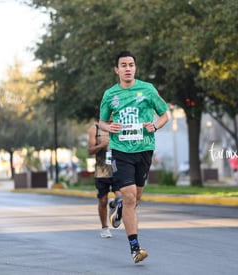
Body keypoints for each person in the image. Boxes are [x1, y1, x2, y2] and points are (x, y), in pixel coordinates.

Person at [99, 51, 169, 263]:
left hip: (144, 149)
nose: (127, 68)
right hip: (121, 151)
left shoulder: (148, 89)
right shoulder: (110, 95)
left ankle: (119, 209)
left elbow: (165, 114)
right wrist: (109, 126)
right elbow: (101, 122)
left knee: (135, 198)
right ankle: (135, 248)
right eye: (123, 65)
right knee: (129, 196)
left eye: (131, 64)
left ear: (135, 68)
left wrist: (154, 126)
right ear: (116, 69)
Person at [87, 121, 122, 238]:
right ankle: (104, 228)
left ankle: (114, 205)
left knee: (120, 198)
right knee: (102, 201)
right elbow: (90, 150)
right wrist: (101, 145)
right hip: (101, 172)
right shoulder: (95, 129)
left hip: (117, 170)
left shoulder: (120, 126)